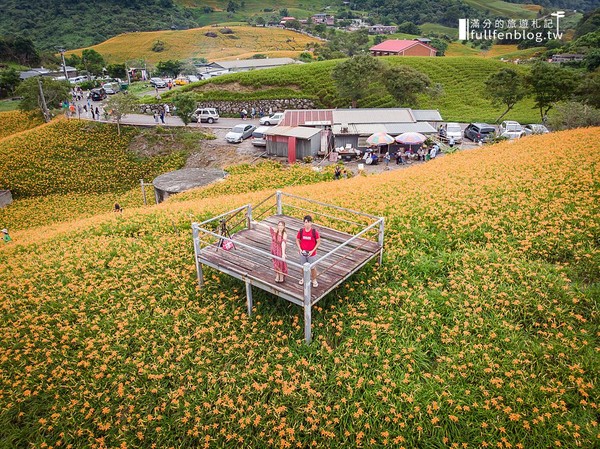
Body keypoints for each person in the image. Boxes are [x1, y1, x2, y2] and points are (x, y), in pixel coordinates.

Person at [296, 215, 321, 288]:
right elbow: (297, 240)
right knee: (303, 267)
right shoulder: (301, 231)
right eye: (305, 222)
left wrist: (313, 250)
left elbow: (318, 241)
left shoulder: (314, 232)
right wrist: (300, 249)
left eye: (308, 222)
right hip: (303, 253)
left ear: (311, 223)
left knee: (312, 267)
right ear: (304, 223)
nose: (307, 224)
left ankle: (314, 280)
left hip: (311, 253)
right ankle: (304, 278)